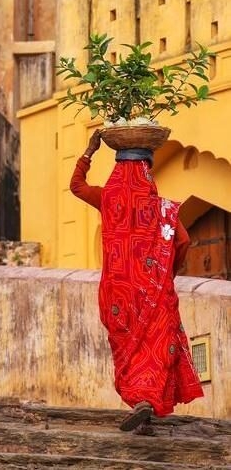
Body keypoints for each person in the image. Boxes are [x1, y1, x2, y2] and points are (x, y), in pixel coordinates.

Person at [70, 129, 204, 433]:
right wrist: (166, 272)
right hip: (154, 292)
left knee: (128, 348)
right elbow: (182, 241)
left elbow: (76, 186)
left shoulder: (107, 197)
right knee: (156, 348)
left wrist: (89, 152)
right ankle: (148, 402)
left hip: (118, 293)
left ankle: (141, 406)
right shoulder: (163, 209)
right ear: (149, 173)